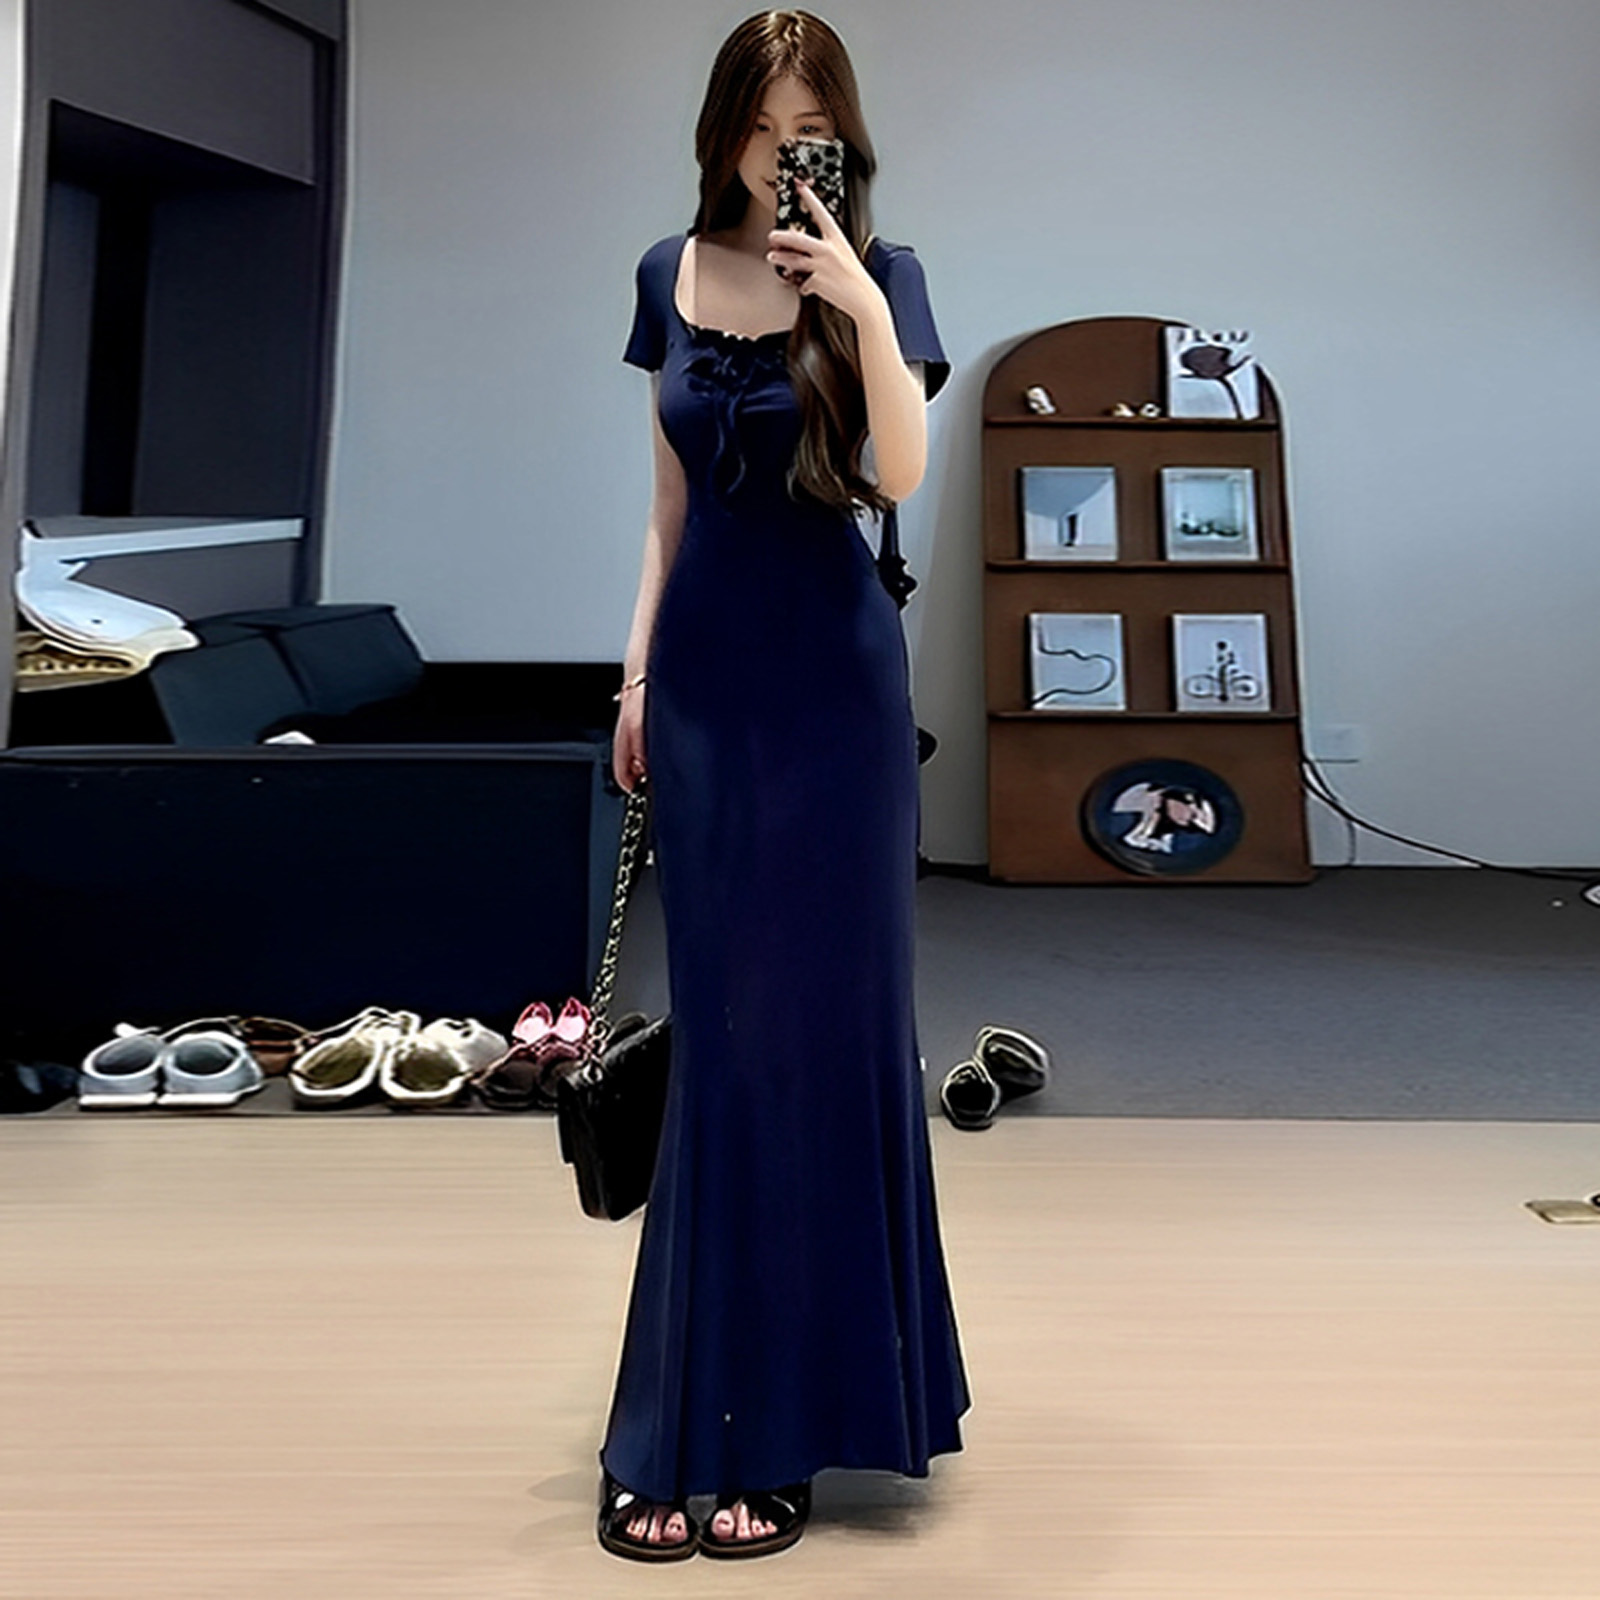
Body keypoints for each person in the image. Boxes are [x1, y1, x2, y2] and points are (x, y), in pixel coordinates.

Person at [600, 9, 970, 1562]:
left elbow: (897, 473)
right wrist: (634, 678)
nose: (778, 154)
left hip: (835, 698)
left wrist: (858, 306)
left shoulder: (887, 278)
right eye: (759, 127)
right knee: (727, 1041)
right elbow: (668, 510)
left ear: (843, 135)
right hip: (704, 685)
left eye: (807, 128)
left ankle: (793, 1419)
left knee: (825, 1036)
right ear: (723, 131)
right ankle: (681, 1419)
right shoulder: (666, 273)